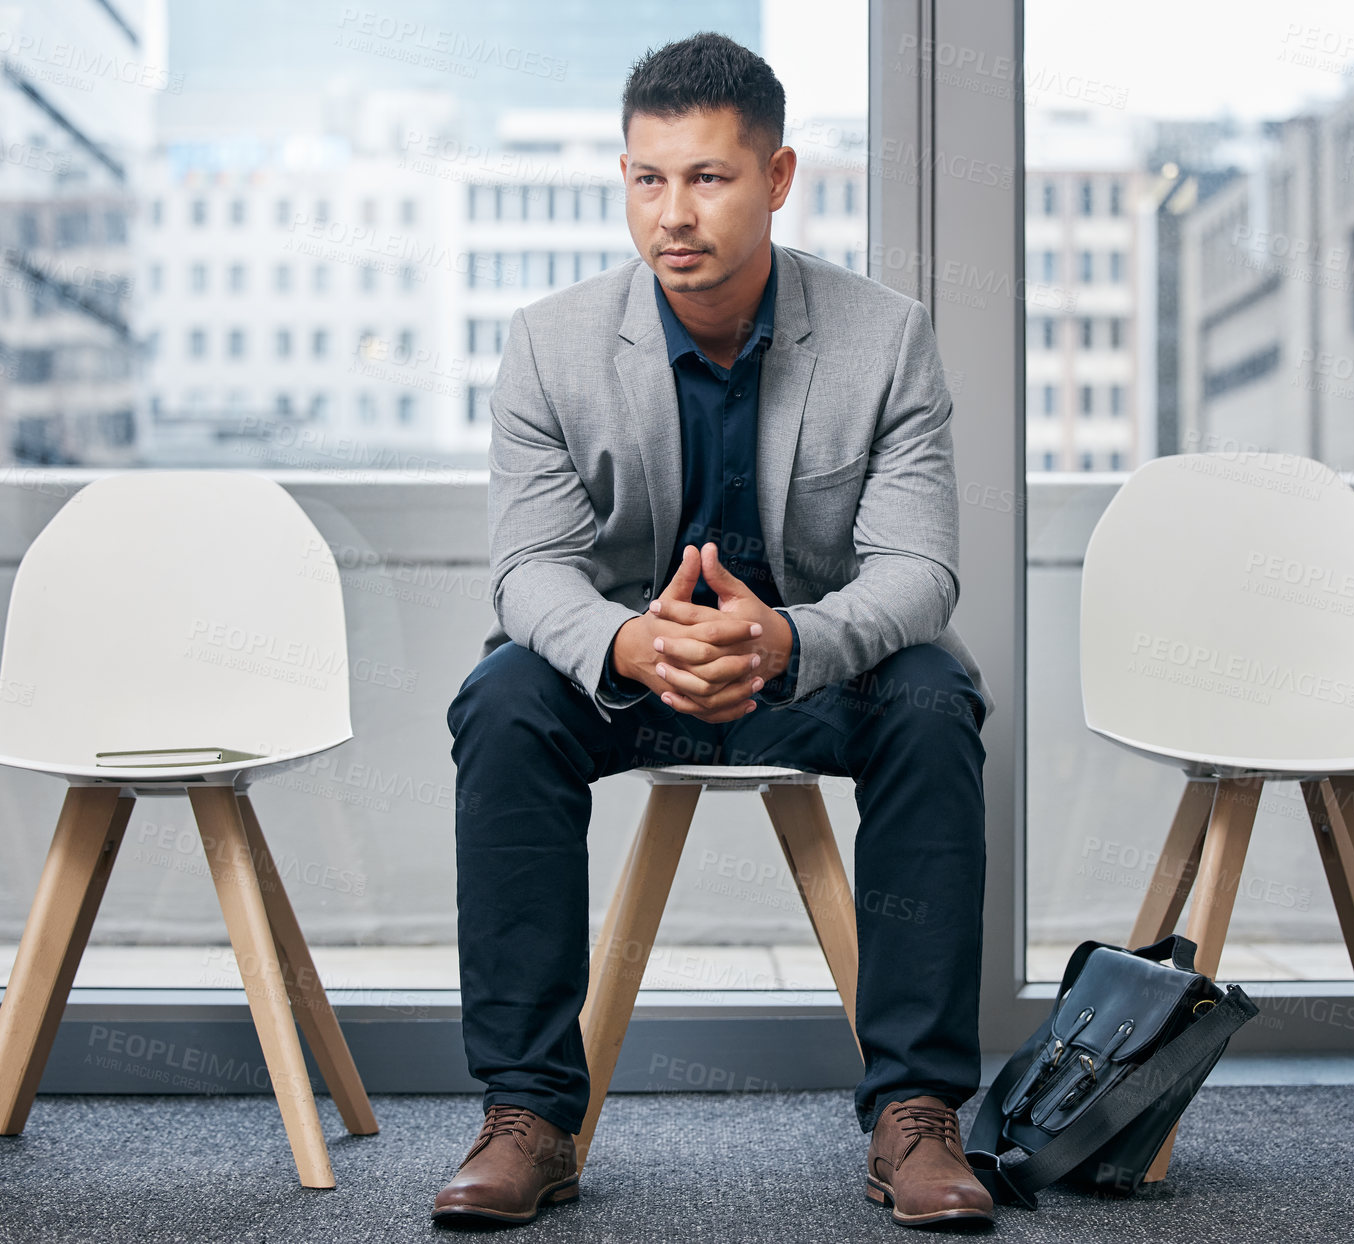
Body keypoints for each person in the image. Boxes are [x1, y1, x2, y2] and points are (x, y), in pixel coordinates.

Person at [436, 30, 995, 1230]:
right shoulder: (550, 341)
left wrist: (785, 640)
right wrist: (633, 645)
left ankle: (917, 1111)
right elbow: (527, 569)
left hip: (811, 666)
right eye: (648, 179)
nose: (671, 213)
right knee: (501, 698)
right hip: (628, 672)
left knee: (935, 694)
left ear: (778, 176)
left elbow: (919, 570)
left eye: (707, 177)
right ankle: (527, 1111)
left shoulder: (883, 337)